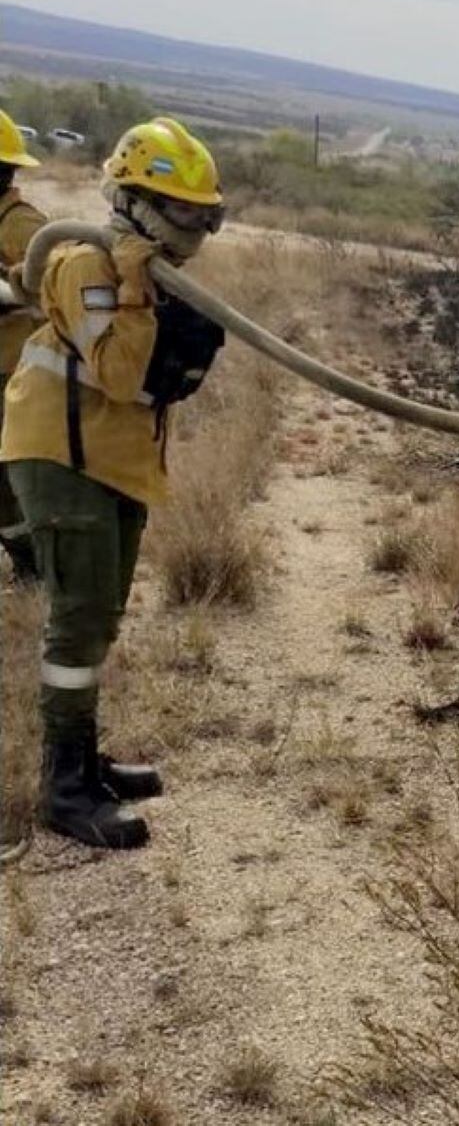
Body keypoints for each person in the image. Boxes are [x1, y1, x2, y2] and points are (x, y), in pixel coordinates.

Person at [1, 117, 228, 849]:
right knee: (77, 616)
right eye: (183, 211)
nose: (195, 228)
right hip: (62, 457)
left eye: (204, 214)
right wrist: (131, 284)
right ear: (136, 202)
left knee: (101, 615)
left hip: (113, 461)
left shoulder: (147, 272)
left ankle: (86, 763)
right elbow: (121, 375)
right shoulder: (84, 265)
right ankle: (63, 789)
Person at [0, 108, 49, 580]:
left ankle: (33, 570)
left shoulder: (22, 227)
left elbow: (56, 294)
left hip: (11, 373)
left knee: (7, 486)